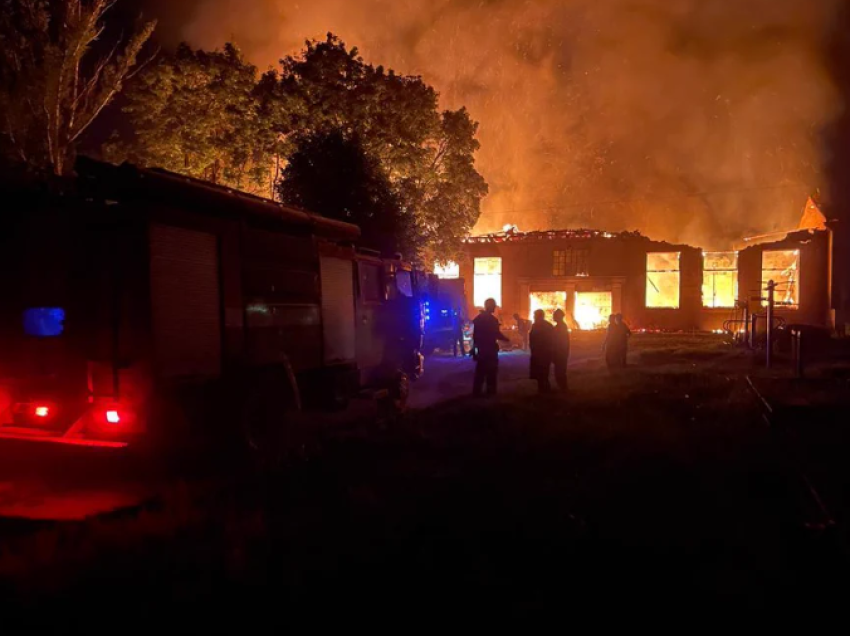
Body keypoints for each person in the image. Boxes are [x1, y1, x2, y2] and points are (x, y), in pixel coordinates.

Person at [472, 298, 509, 396]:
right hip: (490, 350)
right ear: (491, 306)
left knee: (480, 371)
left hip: (481, 349)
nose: (495, 308)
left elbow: (475, 335)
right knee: (491, 372)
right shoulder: (492, 320)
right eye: (494, 306)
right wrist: (506, 339)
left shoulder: (478, 318)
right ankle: (490, 392)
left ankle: (477, 392)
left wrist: (474, 349)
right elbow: (496, 333)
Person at [529, 309, 555, 393]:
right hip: (544, 353)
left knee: (541, 373)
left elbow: (533, 338)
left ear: (538, 316)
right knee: (543, 372)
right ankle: (544, 389)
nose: (533, 317)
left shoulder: (537, 326)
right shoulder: (548, 325)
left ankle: (543, 390)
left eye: (535, 315)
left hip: (540, 353)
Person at [552, 308, 571, 392]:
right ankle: (563, 388)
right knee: (560, 370)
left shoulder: (561, 326)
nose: (553, 317)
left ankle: (564, 388)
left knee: (560, 371)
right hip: (561, 352)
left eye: (555, 315)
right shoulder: (561, 325)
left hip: (560, 352)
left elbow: (559, 340)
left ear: (559, 316)